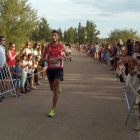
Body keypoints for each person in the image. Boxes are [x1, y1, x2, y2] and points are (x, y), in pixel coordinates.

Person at [42, 30, 70, 117]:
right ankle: (58, 86)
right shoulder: (47, 46)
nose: (53, 37)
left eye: (55, 35)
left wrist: (64, 57)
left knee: (55, 88)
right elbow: (42, 58)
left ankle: (53, 109)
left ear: (58, 37)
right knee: (52, 88)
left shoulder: (61, 45)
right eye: (52, 35)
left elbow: (68, 55)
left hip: (59, 68)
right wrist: (48, 60)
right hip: (50, 69)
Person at [0, 36, 8, 102]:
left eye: (4, 40)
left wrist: (5, 63)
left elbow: (3, 57)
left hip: (3, 66)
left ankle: (0, 94)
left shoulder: (2, 47)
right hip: (0, 66)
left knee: (1, 81)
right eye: (2, 40)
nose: (3, 41)